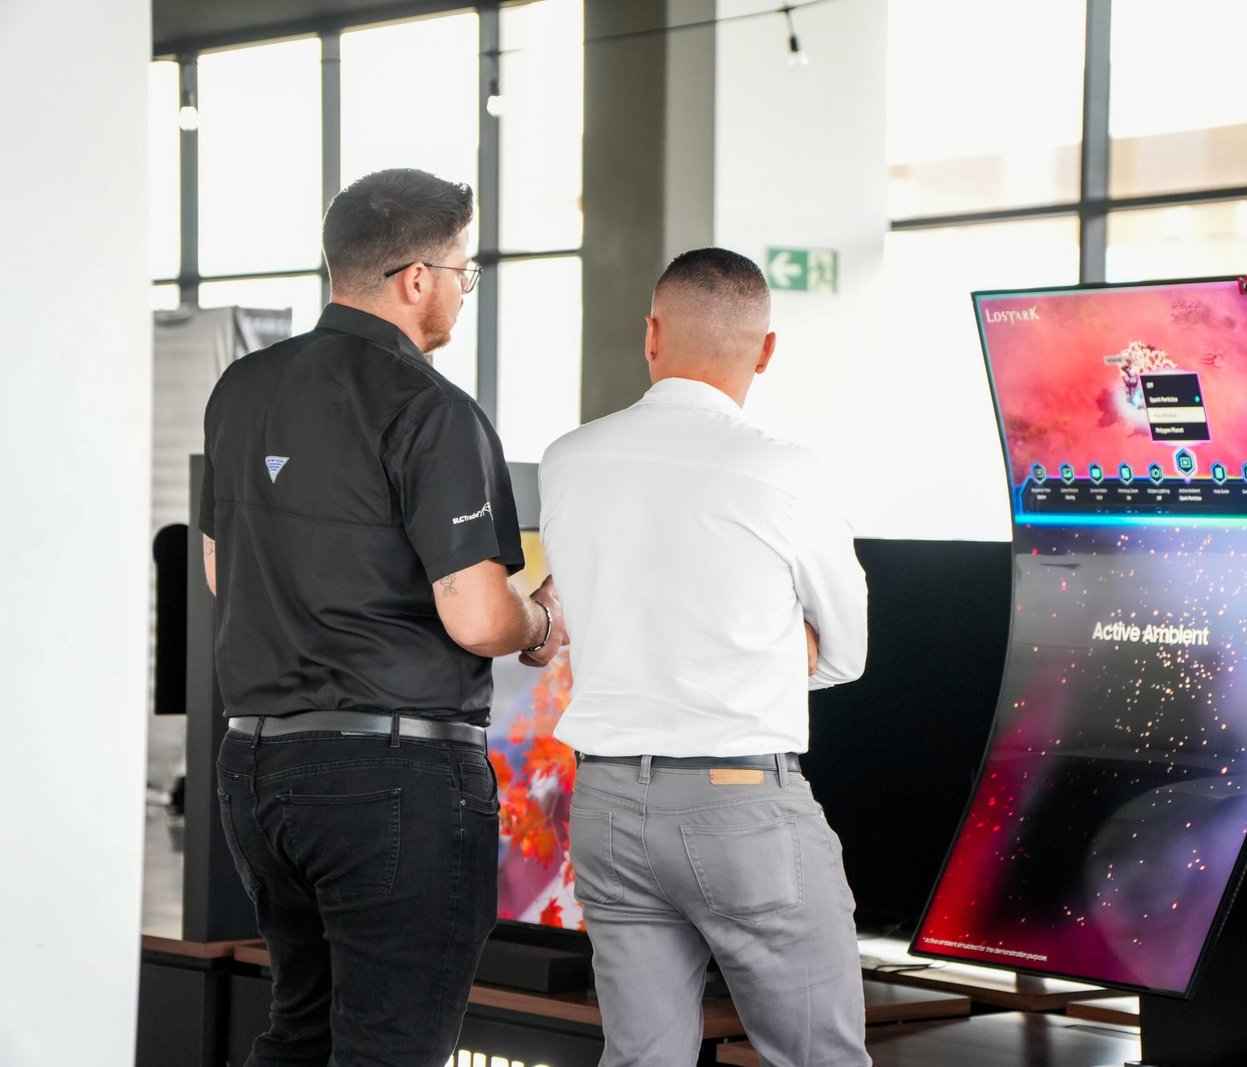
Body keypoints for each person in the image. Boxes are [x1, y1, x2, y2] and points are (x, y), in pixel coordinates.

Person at [200, 167, 568, 1067]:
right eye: (462, 273)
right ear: (415, 278)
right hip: (392, 778)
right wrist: (539, 622)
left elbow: (219, 569)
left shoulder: (242, 388)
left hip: (256, 769)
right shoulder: (430, 408)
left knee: (299, 1030)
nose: (463, 292)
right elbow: (477, 616)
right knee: (390, 1049)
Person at [538, 247, 870, 1067]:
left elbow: (589, 608)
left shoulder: (569, 458)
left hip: (608, 804)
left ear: (651, 334)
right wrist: (761, 651)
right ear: (766, 350)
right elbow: (847, 652)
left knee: (641, 1058)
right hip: (741, 805)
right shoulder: (787, 472)